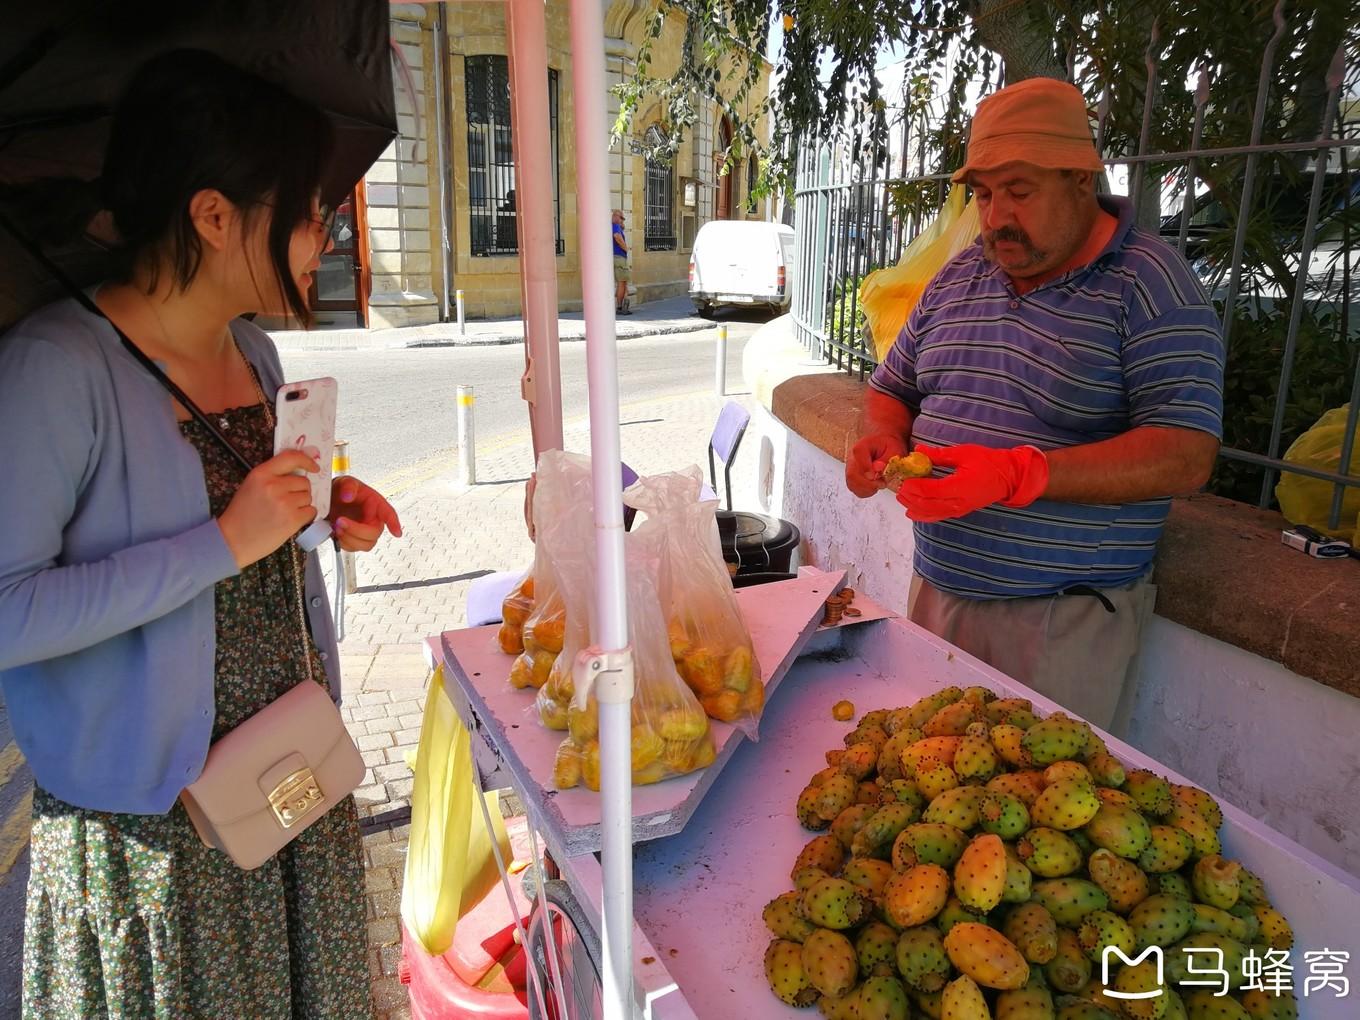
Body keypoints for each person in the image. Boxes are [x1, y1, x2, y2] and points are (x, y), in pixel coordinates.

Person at [0, 51, 402, 1018]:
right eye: (307, 211)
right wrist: (222, 542)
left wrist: (318, 516)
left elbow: (258, 533)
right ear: (214, 215)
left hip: (288, 783)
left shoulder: (254, 351)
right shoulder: (56, 370)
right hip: (159, 840)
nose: (325, 235)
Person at [846, 78, 1225, 732]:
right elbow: (892, 388)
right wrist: (880, 436)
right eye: (984, 194)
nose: (994, 217)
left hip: (1060, 623)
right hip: (937, 590)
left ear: (1081, 180)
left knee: (1020, 818)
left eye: (1019, 191)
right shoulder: (962, 273)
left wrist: (1022, 474)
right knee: (923, 797)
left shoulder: (1153, 284)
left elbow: (1185, 453)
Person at [612, 208, 632, 315]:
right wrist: (625, 248)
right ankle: (620, 307)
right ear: (615, 217)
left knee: (623, 282)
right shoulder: (615, 226)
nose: (622, 221)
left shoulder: (616, 226)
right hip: (619, 257)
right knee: (622, 282)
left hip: (617, 257)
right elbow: (617, 237)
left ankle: (623, 306)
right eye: (621, 218)